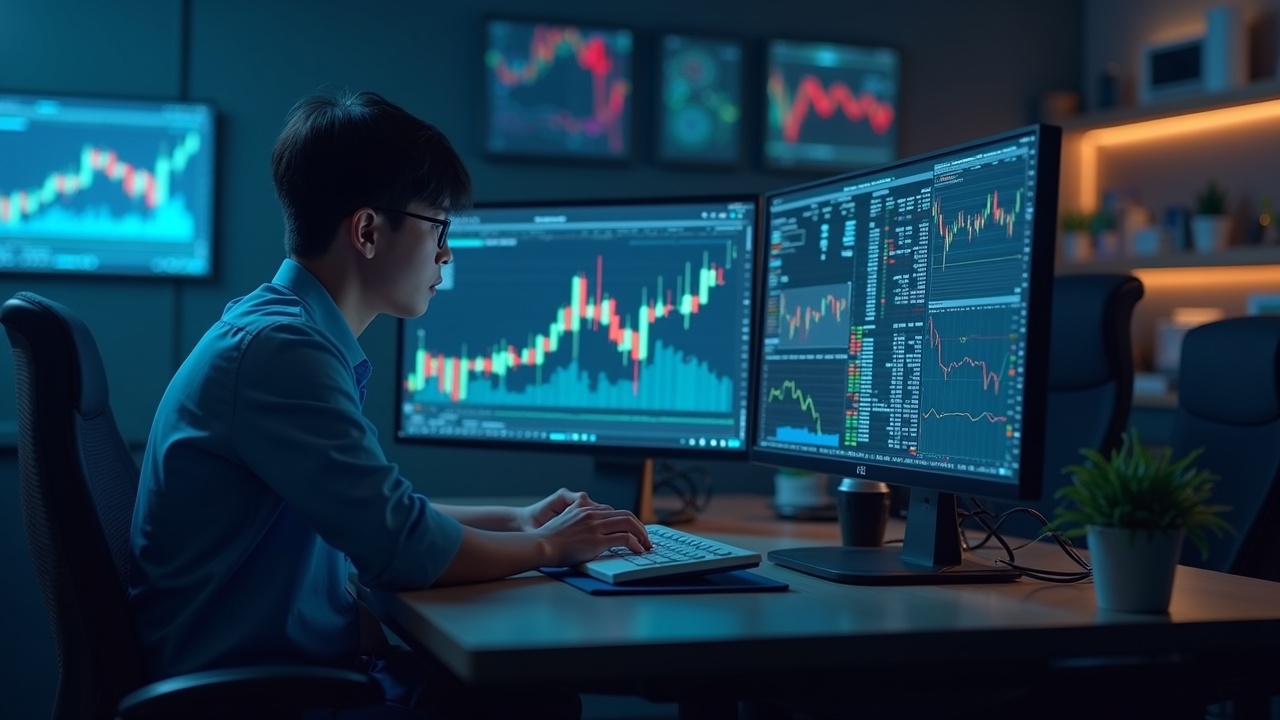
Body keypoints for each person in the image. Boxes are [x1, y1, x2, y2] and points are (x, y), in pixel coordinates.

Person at [128, 89, 652, 718]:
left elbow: (381, 515)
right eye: (439, 227)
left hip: (277, 669)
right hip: (261, 694)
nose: (447, 254)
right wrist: (552, 548)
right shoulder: (281, 351)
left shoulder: (280, 331)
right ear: (369, 230)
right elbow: (401, 548)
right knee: (533, 702)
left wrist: (521, 521)